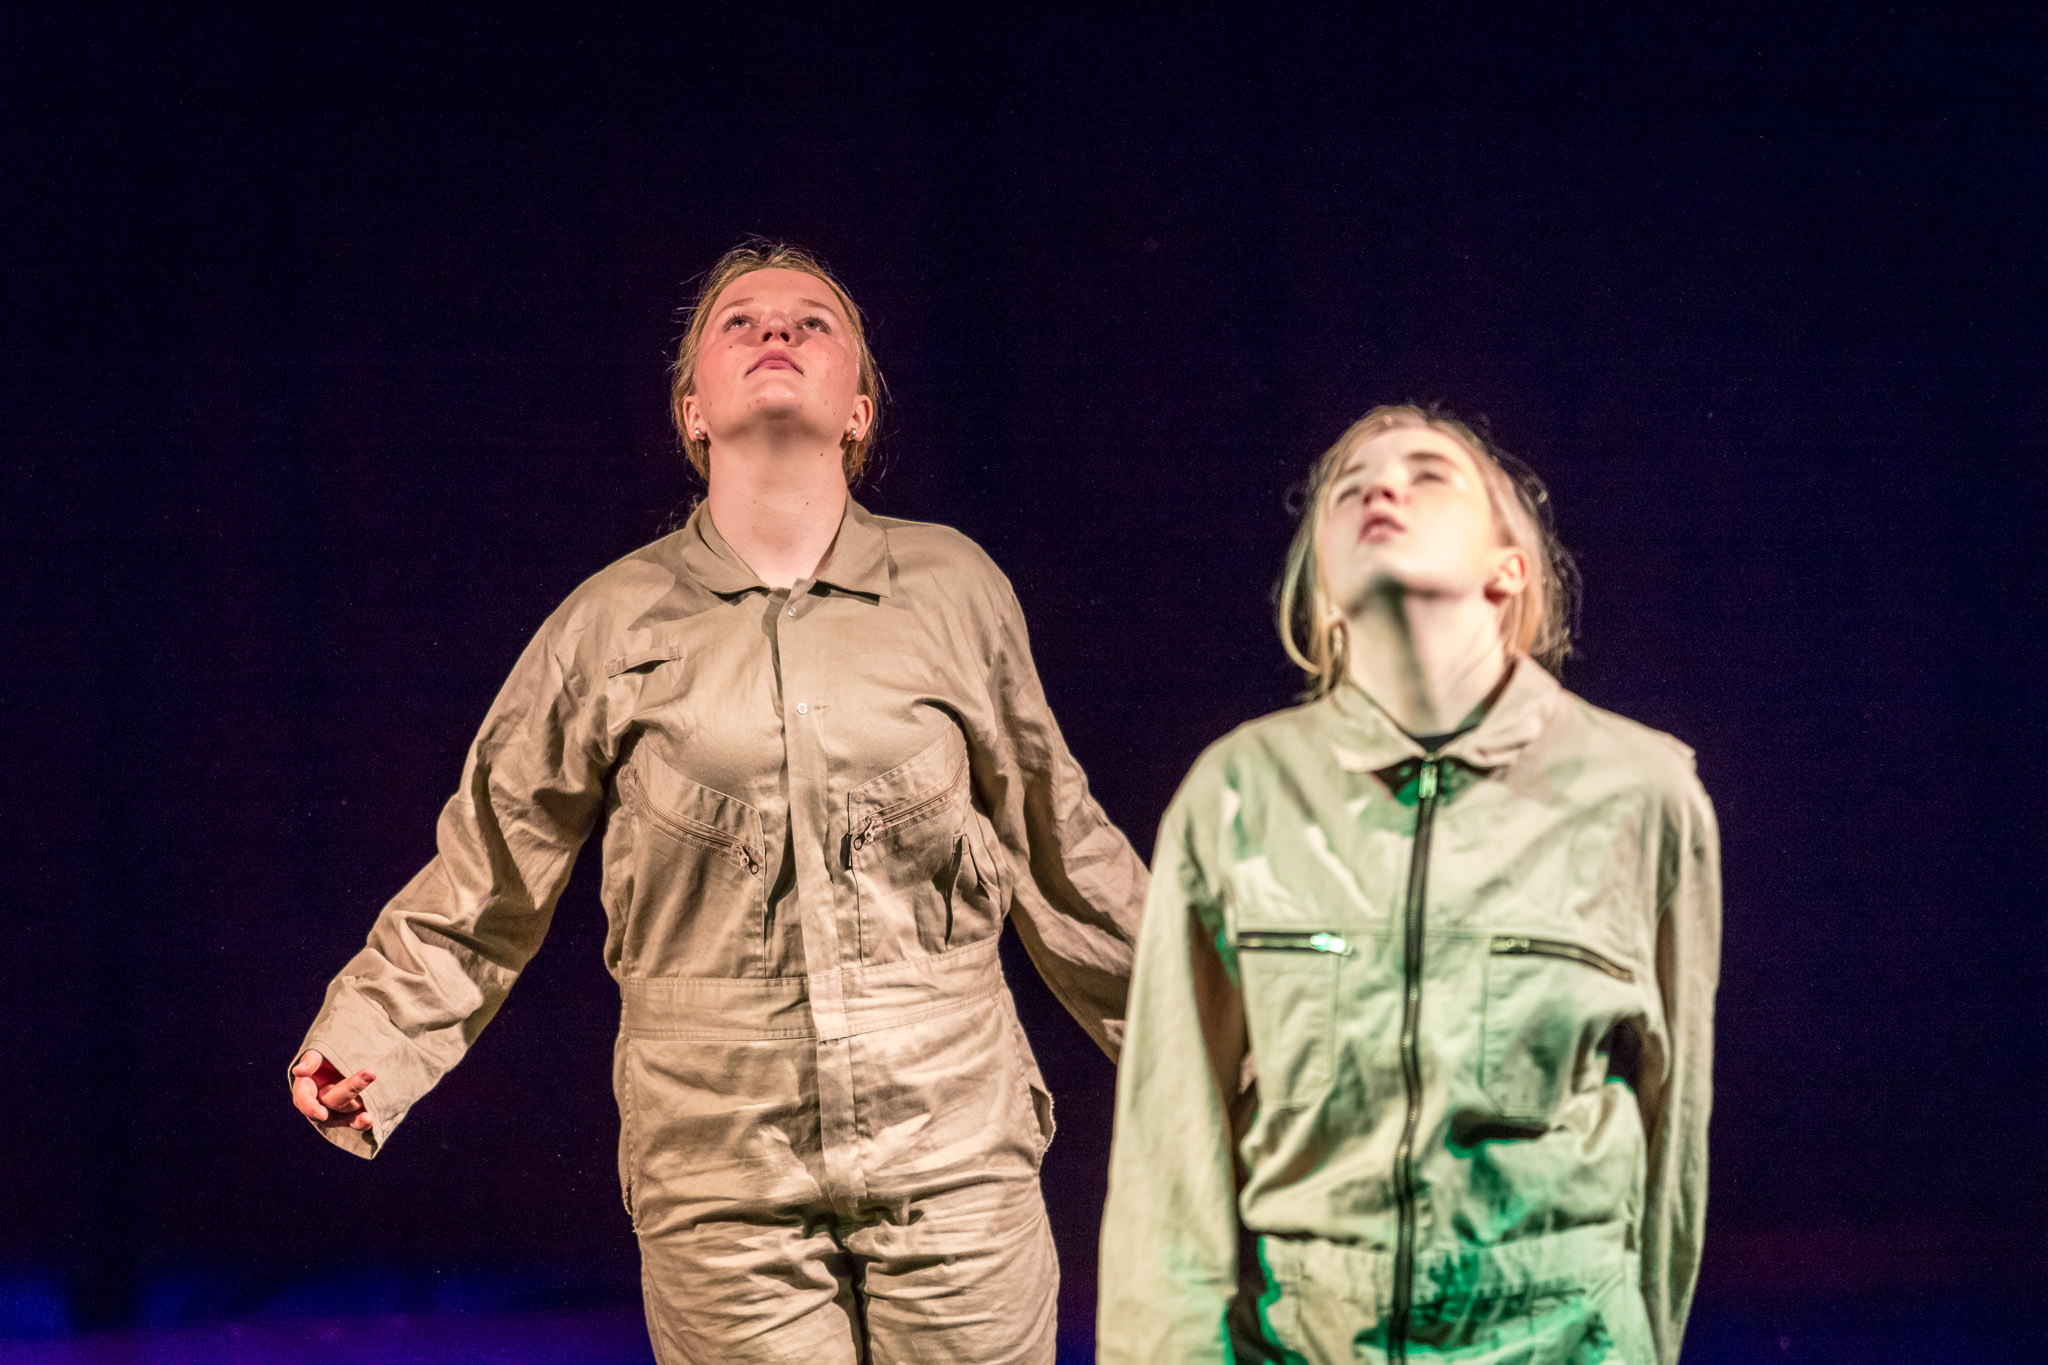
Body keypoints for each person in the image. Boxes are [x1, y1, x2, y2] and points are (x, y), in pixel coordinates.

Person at [289, 242, 1147, 1364]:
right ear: (692, 410)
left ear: (859, 409)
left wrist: (1224, 1043)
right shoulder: (611, 621)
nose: (776, 331)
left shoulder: (953, 587)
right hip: (720, 1171)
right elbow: (491, 864)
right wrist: (372, 1036)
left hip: (953, 1151)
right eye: (739, 321)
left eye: (813, 321)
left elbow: (1058, 842)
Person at [1097, 406, 1718, 1364]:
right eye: (1349, 487)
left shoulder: (1641, 793)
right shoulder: (1237, 791)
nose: (1380, 488)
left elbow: (1673, 1145)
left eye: (1428, 474)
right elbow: (1169, 1148)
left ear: (1508, 568)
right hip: (1306, 1340)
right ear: (1325, 592)